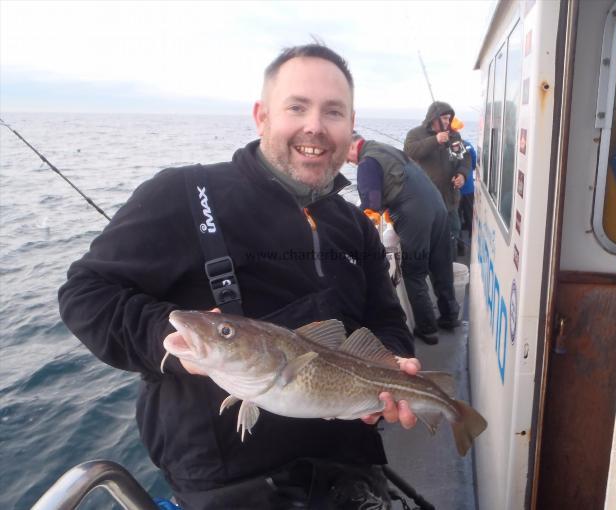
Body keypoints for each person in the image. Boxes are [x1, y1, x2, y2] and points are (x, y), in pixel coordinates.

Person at [58, 44, 422, 510]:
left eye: (333, 111)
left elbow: (386, 321)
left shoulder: (355, 227)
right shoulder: (184, 194)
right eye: (297, 106)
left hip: (351, 467)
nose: (314, 125)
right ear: (262, 116)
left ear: (350, 126)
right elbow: (86, 294)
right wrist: (163, 339)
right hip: (232, 484)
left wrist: (396, 365)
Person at [346, 133, 460, 345]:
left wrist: (350, 222)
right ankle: (450, 316)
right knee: (441, 265)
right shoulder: (386, 149)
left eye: (345, 156)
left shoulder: (367, 162)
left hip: (414, 215)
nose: (347, 161)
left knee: (414, 272)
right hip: (437, 205)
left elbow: (371, 205)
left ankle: (427, 329)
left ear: (350, 146)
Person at [404, 102, 469, 257]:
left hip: (450, 200)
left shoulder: (454, 135)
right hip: (425, 201)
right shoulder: (415, 134)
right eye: (445, 118)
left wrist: (462, 175)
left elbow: (464, 159)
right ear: (433, 118)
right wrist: (435, 140)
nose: (448, 122)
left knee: (453, 232)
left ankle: (450, 268)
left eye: (449, 118)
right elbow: (409, 152)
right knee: (430, 239)